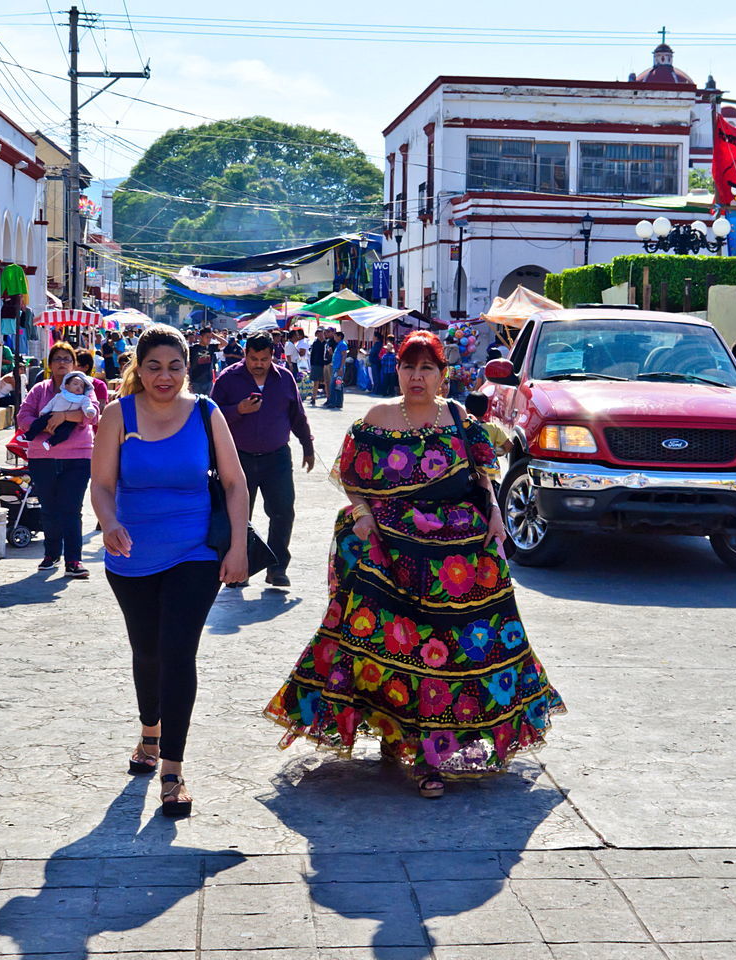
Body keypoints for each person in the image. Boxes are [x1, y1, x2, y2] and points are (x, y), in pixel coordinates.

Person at [264, 331, 565, 798]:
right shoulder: (378, 417)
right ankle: (394, 731)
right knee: (389, 645)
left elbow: (481, 477)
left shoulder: (460, 418)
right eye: (409, 367)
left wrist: (497, 516)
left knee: (447, 650)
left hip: (457, 559)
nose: (416, 376)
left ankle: (431, 756)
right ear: (398, 370)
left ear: (443, 375)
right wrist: (363, 515)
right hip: (390, 551)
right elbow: (351, 476)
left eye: (427, 368)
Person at [91, 324, 249, 817]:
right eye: (154, 367)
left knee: (178, 653)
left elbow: (234, 483)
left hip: (194, 552)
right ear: (139, 368)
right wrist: (110, 521)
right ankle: (149, 734)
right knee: (148, 650)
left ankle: (173, 770)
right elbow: (100, 484)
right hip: (130, 554)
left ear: (190, 366)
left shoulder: (206, 412)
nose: (165, 377)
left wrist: (238, 548)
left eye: (174, 367)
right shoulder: (118, 415)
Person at [211, 331, 315, 588]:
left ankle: (277, 568)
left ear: (273, 357)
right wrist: (238, 410)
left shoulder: (285, 379)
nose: (259, 364)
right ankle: (237, 570)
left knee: (282, 512)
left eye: (264, 359)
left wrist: (307, 445)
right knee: (237, 515)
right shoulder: (228, 379)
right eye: (254, 358)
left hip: (276, 458)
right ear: (245, 354)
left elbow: (297, 415)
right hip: (238, 459)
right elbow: (210, 415)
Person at [16, 341, 99, 579]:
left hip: (78, 457)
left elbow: (92, 414)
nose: (62, 363)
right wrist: (45, 426)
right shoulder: (40, 390)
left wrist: (63, 416)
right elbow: (23, 416)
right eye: (58, 359)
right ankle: (51, 553)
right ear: (50, 364)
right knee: (50, 509)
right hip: (42, 456)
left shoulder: (84, 387)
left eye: (67, 359)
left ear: (74, 365)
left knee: (71, 510)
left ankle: (74, 560)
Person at [20, 370, 97, 451]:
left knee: (64, 434)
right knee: (39, 423)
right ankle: (28, 435)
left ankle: (50, 442)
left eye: (81, 386)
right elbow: (50, 405)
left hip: (70, 422)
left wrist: (89, 411)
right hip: (52, 414)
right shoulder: (60, 395)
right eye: (75, 384)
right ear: (67, 386)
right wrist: (44, 413)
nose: (78, 387)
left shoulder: (84, 398)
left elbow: (88, 406)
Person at [188, 328, 224, 395]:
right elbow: (188, 366)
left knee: (208, 402)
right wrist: (189, 382)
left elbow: (225, 343)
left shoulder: (211, 347)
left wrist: (214, 335)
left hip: (208, 380)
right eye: (207, 337)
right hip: (196, 381)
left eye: (210, 337)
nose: (209, 339)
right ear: (201, 337)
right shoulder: (193, 349)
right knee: (196, 403)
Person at [324, 331, 348, 410]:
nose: (334, 338)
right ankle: (338, 403)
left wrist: (341, 368)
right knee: (338, 386)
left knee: (333, 385)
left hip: (338, 369)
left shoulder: (342, 344)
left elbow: (344, 356)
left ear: (339, 336)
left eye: (335, 336)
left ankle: (333, 402)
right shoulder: (339, 345)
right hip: (336, 368)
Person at [309, 328, 328, 406]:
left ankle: (328, 398)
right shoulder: (315, 343)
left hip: (324, 364)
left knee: (326, 382)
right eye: (318, 333)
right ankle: (313, 398)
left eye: (321, 333)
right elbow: (312, 354)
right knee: (315, 382)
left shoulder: (326, 343)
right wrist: (312, 364)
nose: (320, 335)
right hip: (316, 364)